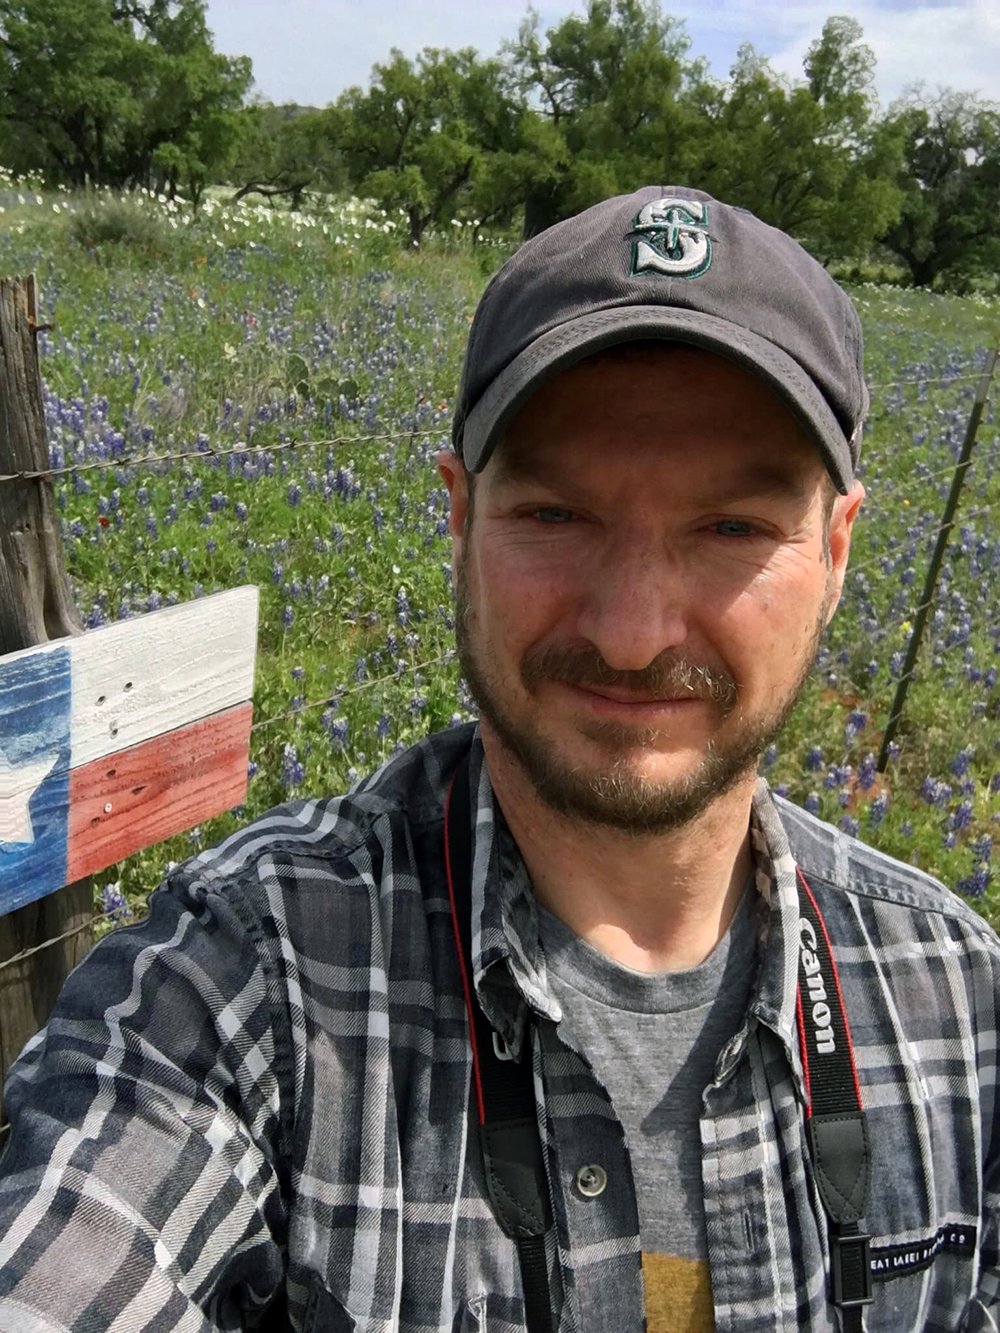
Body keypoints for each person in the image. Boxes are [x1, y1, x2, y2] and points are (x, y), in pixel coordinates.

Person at [0, 186, 997, 1333]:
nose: (632, 632)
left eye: (730, 527)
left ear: (835, 550)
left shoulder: (962, 1005)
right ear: (460, 517)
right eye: (555, 515)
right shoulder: (244, 981)